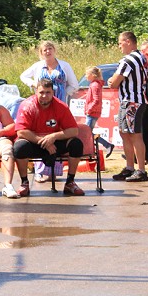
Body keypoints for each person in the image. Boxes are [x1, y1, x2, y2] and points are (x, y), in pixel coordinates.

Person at [13, 78, 86, 196]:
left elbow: (73, 131)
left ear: (53, 93)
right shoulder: (27, 105)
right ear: (36, 92)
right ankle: (24, 183)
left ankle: (70, 182)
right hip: (34, 142)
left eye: (48, 92)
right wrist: (43, 141)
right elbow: (21, 132)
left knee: (76, 144)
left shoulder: (61, 107)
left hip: (54, 144)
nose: (44, 96)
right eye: (41, 92)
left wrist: (53, 136)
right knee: (19, 146)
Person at [20, 41, 78, 183]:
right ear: (41, 52)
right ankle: (40, 171)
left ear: (54, 50)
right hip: (40, 104)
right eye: (45, 50)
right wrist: (33, 84)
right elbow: (23, 76)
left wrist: (63, 94)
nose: (48, 51)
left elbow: (74, 84)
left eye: (50, 49)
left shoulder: (64, 65)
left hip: (59, 104)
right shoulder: (37, 66)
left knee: (58, 136)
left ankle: (55, 171)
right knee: (40, 132)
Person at [108, 31, 148, 182]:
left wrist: (112, 81)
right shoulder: (141, 57)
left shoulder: (128, 60)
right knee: (125, 133)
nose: (119, 46)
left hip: (132, 100)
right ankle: (130, 167)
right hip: (134, 100)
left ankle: (141, 170)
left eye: (120, 43)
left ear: (128, 42)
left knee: (134, 134)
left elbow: (115, 81)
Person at [83, 66, 114, 157]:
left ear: (92, 75)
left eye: (87, 74)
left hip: (92, 112)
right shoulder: (95, 84)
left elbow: (96, 100)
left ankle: (106, 145)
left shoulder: (95, 85)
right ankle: (106, 145)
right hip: (93, 112)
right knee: (88, 133)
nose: (86, 76)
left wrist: (89, 109)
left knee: (87, 133)